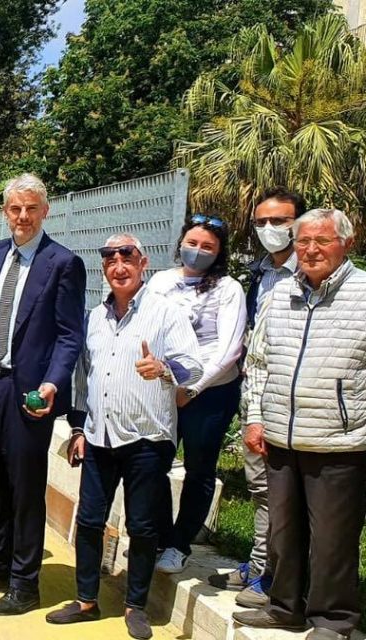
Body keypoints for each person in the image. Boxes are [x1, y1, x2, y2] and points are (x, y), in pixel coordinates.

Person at [46, 233, 201, 640]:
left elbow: (195, 369)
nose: (118, 265)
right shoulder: (93, 318)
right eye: (110, 258)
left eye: (126, 256)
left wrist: (165, 369)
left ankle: (136, 606)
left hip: (148, 439)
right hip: (99, 437)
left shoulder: (166, 313)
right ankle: (86, 601)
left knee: (143, 526)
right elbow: (82, 379)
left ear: (142, 262)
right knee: (91, 520)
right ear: (104, 268)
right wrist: (78, 428)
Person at [232, 208, 366, 640]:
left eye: (321, 241)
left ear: (346, 243)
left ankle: (332, 620)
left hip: (340, 440)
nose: (310, 250)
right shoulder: (280, 294)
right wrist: (255, 419)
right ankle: (284, 606)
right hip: (280, 436)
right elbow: (258, 363)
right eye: (304, 241)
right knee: (282, 533)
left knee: (331, 539)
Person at [0, 173, 85, 615]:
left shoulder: (63, 262)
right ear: (5, 212)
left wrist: (53, 382)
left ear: (45, 211)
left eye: (30, 208)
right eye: (15, 209)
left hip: (30, 392)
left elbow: (69, 335)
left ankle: (25, 582)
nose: (22, 216)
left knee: (25, 487)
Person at [209, 187, 306, 606]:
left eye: (280, 221)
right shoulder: (263, 273)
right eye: (262, 222)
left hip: (294, 404)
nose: (270, 229)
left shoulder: (310, 273)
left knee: (287, 496)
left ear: (298, 223)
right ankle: (261, 565)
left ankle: (281, 577)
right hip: (257, 399)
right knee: (261, 489)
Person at [144, 215, 245, 575]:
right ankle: (158, 536)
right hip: (163, 389)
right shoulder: (160, 282)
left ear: (219, 253)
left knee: (199, 469)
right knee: (152, 463)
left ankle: (179, 544)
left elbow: (229, 347)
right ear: (181, 243)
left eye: (207, 247)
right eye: (192, 243)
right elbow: (147, 330)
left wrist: (193, 387)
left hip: (210, 393)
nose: (197, 251)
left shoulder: (228, 288)